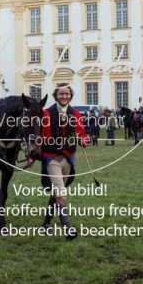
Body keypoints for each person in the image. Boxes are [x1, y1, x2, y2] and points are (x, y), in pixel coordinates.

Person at [38, 85, 89, 240]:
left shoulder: (76, 114)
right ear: (56, 95)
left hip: (69, 157)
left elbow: (81, 134)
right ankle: (68, 228)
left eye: (67, 93)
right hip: (52, 157)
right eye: (61, 93)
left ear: (70, 95)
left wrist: (83, 140)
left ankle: (46, 224)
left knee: (57, 191)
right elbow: (41, 136)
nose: (64, 96)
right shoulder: (46, 114)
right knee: (61, 190)